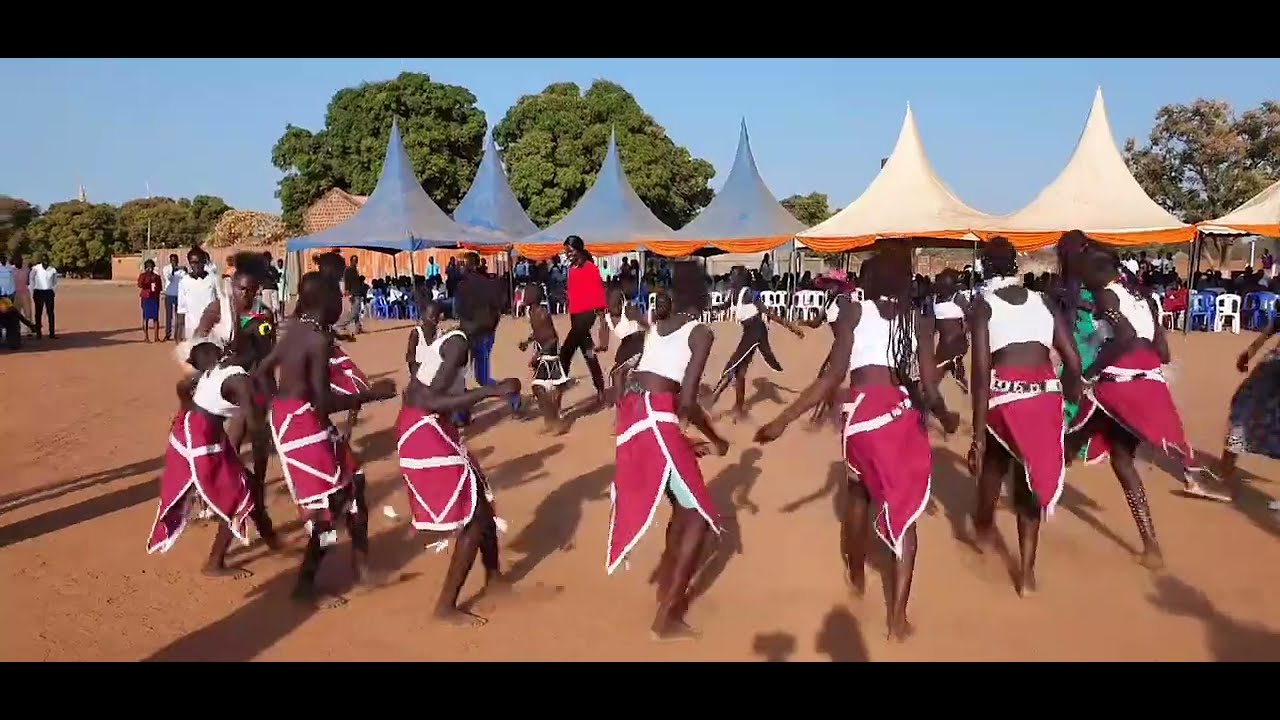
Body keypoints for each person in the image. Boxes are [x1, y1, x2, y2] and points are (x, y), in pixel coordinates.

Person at [755, 247, 959, 642]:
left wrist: (783, 419)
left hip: (862, 417)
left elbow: (833, 375)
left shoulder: (852, 311)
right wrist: (947, 417)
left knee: (858, 493)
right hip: (899, 417)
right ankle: (897, 619)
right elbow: (931, 389)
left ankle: (855, 572)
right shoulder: (915, 320)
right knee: (905, 515)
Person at [1066, 244, 1227, 570]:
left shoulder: (1106, 296)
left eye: (1086, 275)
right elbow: (1163, 351)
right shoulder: (1144, 298)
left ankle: (1026, 487)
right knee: (1119, 457)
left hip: (1119, 384)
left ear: (1098, 274)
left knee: (1072, 433)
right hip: (1149, 381)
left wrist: (1089, 372)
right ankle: (1151, 544)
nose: (1085, 282)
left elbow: (1124, 335)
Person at [264, 271, 397, 608]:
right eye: (338, 296)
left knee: (356, 484)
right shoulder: (316, 340)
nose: (342, 301)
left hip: (293, 417)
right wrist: (370, 396)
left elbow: (264, 368)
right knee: (331, 504)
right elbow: (323, 403)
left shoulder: (296, 330)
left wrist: (278, 400)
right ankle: (305, 586)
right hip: (303, 422)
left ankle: (362, 565)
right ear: (326, 301)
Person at [610, 267, 729, 642]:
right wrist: (716, 438)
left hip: (635, 419)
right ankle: (667, 616)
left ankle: (666, 582)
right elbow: (688, 400)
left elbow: (647, 381)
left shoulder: (657, 329)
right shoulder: (701, 332)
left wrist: (677, 437)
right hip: (656, 419)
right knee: (699, 519)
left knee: (681, 504)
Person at [967, 238, 1083, 597]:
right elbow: (1073, 361)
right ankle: (1027, 575)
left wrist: (978, 433)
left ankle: (984, 528)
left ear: (985, 267)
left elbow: (981, 369)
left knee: (995, 461)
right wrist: (1067, 400)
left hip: (1005, 395)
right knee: (1029, 476)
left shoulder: (982, 305)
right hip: (1045, 396)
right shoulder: (1043, 300)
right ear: (1015, 264)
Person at [397, 298, 521, 627]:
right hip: (423, 430)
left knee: (481, 499)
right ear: (479, 314)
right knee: (475, 518)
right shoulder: (458, 346)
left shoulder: (458, 341)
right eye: (494, 309)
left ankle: (493, 577)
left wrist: (492, 390)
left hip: (432, 427)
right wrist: (489, 394)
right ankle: (446, 606)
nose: (497, 316)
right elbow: (431, 399)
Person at [146, 319, 279, 576]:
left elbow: (185, 387)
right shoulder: (240, 381)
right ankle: (214, 563)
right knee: (240, 497)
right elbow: (257, 432)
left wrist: (190, 407)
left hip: (198, 433)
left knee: (248, 485)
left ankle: (270, 536)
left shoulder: (227, 362)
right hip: (201, 441)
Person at [707, 266, 804, 421]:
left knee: (732, 365)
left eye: (733, 276)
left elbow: (767, 312)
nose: (730, 279)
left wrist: (792, 327)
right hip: (749, 331)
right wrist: (711, 307)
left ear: (740, 278)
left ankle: (710, 402)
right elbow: (725, 306)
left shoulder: (748, 293)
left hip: (755, 330)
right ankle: (739, 409)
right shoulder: (734, 293)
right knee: (740, 371)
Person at [1217, 313, 1280, 482]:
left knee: (1242, 410)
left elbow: (1272, 327)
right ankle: (1225, 471)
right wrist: (1249, 353)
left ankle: (1224, 476)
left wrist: (1249, 353)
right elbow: (1273, 326)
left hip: (1274, 367)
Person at [454, 252, 517, 416]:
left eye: (463, 264)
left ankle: (510, 394)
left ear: (472, 266)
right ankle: (462, 413)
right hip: (483, 334)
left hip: (472, 335)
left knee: (464, 376)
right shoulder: (490, 283)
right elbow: (499, 307)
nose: (460, 267)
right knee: (474, 377)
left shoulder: (463, 287)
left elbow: (460, 312)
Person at [559, 236, 609, 408]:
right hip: (575, 314)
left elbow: (600, 295)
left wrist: (603, 324)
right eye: (566, 251)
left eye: (570, 251)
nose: (568, 254)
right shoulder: (572, 269)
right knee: (589, 353)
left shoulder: (591, 269)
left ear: (579, 250)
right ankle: (601, 388)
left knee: (565, 353)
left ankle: (557, 394)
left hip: (588, 315)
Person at [518, 283, 571, 434]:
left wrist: (539, 355)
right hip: (545, 353)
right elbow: (538, 332)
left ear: (533, 297)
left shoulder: (541, 313)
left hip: (550, 355)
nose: (524, 297)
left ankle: (555, 423)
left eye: (526, 294)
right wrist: (527, 342)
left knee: (540, 388)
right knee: (542, 389)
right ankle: (551, 422)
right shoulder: (532, 312)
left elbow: (552, 338)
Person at [599, 283, 649, 405]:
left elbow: (647, 326)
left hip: (639, 343)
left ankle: (621, 406)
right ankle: (621, 403)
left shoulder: (629, 309)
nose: (613, 307)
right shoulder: (607, 317)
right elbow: (604, 339)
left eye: (616, 303)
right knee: (615, 374)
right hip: (626, 347)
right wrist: (601, 346)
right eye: (610, 303)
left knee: (618, 374)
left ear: (621, 301)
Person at [932, 268, 970, 393]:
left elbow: (969, 316)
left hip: (955, 342)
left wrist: (965, 329)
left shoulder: (957, 298)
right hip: (945, 343)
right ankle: (959, 375)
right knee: (943, 367)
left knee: (937, 372)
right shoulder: (936, 298)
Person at [175, 248, 220, 343]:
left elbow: (221, 304)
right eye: (192, 263)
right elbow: (181, 310)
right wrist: (178, 337)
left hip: (211, 330)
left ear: (204, 262)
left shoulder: (214, 279)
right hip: (192, 330)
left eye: (198, 262)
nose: (195, 266)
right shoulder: (184, 282)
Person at [28, 254, 58, 339]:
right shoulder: (35, 269)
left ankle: (52, 333)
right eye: (43, 260)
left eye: (46, 260)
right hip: (38, 292)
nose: (45, 262)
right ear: (41, 260)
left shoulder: (52, 270)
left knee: (50, 313)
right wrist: (33, 289)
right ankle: (38, 333)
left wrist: (52, 290)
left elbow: (55, 281)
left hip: (48, 292)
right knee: (38, 313)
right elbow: (31, 279)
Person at [161, 254, 186, 342]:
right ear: (170, 260)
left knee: (178, 316)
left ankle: (177, 335)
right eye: (172, 260)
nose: (174, 262)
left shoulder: (181, 270)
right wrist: (173, 270)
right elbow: (169, 278)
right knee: (168, 316)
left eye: (175, 260)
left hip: (178, 295)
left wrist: (184, 270)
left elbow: (184, 279)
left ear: (178, 260)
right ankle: (167, 334)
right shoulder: (166, 268)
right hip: (169, 294)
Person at [138, 259, 162, 343]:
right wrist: (147, 277)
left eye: (151, 267)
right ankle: (146, 337)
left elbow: (160, 288)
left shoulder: (157, 277)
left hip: (154, 299)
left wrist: (155, 291)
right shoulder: (142, 276)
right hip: (146, 298)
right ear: (145, 268)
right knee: (145, 318)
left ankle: (156, 337)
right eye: (148, 267)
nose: (150, 269)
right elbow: (140, 285)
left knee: (156, 318)